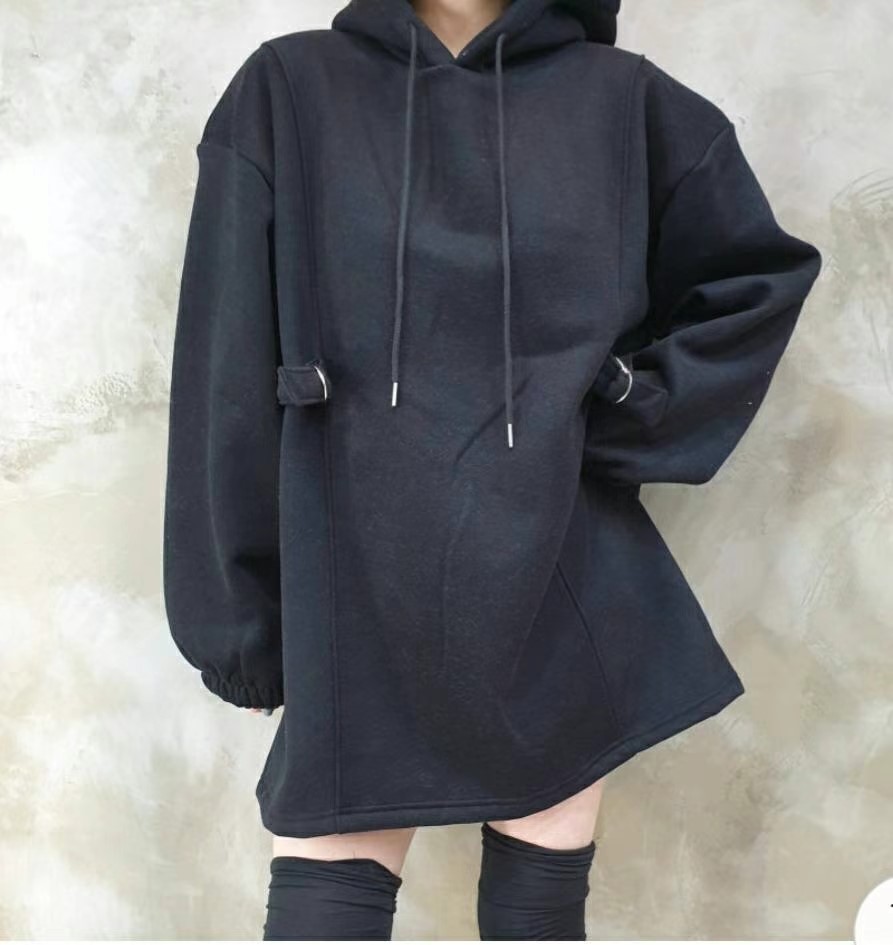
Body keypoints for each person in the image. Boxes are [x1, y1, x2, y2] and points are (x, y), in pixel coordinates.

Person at [162, 0, 822, 939]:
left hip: (555, 570)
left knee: (536, 911)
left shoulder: (624, 103)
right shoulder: (289, 88)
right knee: (324, 904)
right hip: (351, 584)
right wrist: (241, 627)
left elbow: (755, 280)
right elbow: (223, 370)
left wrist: (614, 409)